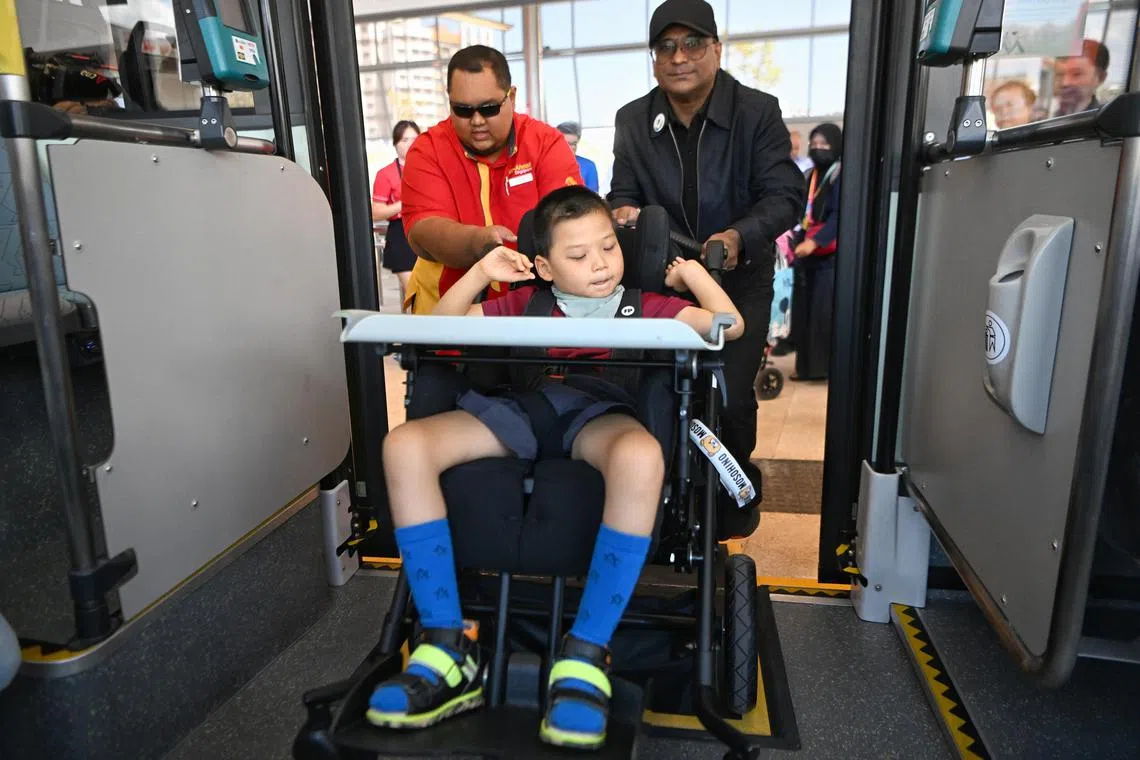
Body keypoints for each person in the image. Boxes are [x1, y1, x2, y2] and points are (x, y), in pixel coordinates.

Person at [366, 186, 743, 749]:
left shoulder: (646, 305)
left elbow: (727, 325)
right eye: (578, 255)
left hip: (597, 413)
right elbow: (439, 329)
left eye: (609, 248)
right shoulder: (522, 302)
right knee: (405, 445)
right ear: (542, 266)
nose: (600, 264)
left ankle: (587, 651)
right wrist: (480, 270)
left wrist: (692, 276)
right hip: (522, 410)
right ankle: (447, 642)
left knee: (642, 453)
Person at [608, 0, 804, 472]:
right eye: (666, 47)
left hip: (737, 284)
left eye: (693, 43)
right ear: (654, 58)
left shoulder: (757, 112)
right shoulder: (633, 120)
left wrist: (738, 237)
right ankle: (662, 504)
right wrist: (623, 212)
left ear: (716, 48)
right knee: (649, 393)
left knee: (728, 399)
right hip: (663, 283)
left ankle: (729, 503)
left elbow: (785, 196)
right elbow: (621, 194)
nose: (679, 58)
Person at [400, 45, 583, 314]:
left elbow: (572, 223)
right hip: (446, 314)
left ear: (512, 96)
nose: (476, 121)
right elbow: (423, 232)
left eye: (488, 108)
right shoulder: (428, 150)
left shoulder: (545, 143)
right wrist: (479, 242)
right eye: (462, 110)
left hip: (535, 311)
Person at [790, 123, 842, 382]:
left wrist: (816, 241)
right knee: (804, 313)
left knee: (822, 314)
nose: (819, 149)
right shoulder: (810, 174)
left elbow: (839, 217)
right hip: (805, 256)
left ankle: (821, 368)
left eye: (825, 144)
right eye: (815, 144)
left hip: (828, 258)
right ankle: (806, 367)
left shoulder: (840, 175)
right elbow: (801, 212)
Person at [373, 120, 421, 305]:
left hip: (427, 231)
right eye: (404, 140)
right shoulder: (385, 174)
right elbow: (376, 212)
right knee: (416, 295)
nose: (410, 144)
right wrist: (405, 203)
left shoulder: (429, 169)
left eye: (414, 139)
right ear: (395, 144)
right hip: (401, 235)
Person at [1054, 39, 1109, 117]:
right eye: (1060, 74)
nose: (1065, 83)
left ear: (1100, 78)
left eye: (1076, 74)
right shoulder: (1047, 119)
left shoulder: (1103, 124)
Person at [556, 121, 600, 192]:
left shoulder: (588, 166)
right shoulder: (545, 166)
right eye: (565, 143)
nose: (569, 148)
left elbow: (593, 198)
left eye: (573, 144)